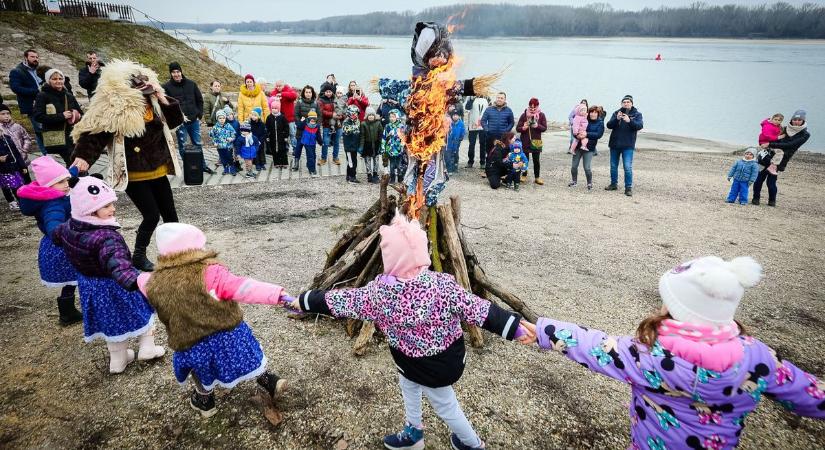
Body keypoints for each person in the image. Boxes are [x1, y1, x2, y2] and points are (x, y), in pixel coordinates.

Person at [519, 256, 825, 449]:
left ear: (679, 310)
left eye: (668, 301)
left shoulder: (651, 358)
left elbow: (596, 346)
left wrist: (545, 330)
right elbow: (809, 394)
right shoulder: (758, 357)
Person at [289, 211, 530, 450]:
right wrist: (515, 327)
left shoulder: (378, 295)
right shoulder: (442, 286)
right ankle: (414, 433)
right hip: (443, 360)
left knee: (446, 406)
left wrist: (307, 300)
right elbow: (479, 309)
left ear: (390, 258)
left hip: (419, 362)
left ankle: (473, 444)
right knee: (409, 386)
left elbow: (341, 301)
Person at [137, 223, 292, 418]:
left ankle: (205, 402)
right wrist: (277, 294)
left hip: (190, 343)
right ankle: (269, 379)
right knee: (249, 354)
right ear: (195, 248)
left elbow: (139, 282)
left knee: (200, 371)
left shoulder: (150, 281)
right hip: (227, 334)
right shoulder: (212, 272)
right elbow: (245, 288)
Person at [71, 60, 184, 272]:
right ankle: (139, 256)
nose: (143, 90)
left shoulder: (153, 101)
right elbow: (95, 133)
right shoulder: (117, 110)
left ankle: (177, 252)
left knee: (171, 215)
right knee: (151, 216)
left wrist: (161, 96)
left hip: (157, 168)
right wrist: (83, 156)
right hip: (133, 172)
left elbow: (176, 120)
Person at [52, 176, 164, 373]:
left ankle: (118, 361)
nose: (113, 208)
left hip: (90, 286)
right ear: (88, 210)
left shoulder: (68, 226)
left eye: (111, 203)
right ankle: (147, 348)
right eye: (106, 206)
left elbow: (55, 236)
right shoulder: (106, 237)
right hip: (115, 285)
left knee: (110, 322)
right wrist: (137, 281)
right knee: (142, 311)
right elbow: (119, 266)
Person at [17, 156, 81, 325]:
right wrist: (60, 234)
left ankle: (68, 312)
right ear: (49, 185)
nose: (67, 184)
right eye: (62, 182)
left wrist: (75, 169)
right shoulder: (53, 203)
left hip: (63, 242)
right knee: (81, 276)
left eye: (67, 180)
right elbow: (53, 222)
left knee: (73, 279)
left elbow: (63, 176)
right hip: (64, 244)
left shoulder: (49, 192)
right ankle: (72, 312)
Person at [163, 62, 213, 175]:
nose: (176, 74)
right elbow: (165, 105)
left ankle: (202, 166)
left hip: (194, 120)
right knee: (183, 146)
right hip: (180, 123)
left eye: (177, 71)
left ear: (181, 71)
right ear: (171, 73)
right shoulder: (166, 87)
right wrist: (173, 119)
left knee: (198, 143)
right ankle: (189, 167)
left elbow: (200, 100)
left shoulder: (191, 84)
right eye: (173, 72)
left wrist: (199, 115)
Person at [753, 110, 810, 207]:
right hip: (768, 155)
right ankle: (756, 198)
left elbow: (790, 145)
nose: (796, 121)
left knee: (771, 182)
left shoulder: (805, 134)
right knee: (759, 179)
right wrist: (763, 141)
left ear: (803, 121)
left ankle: (772, 201)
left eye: (799, 120)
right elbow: (770, 135)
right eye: (794, 119)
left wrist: (770, 144)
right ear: (791, 119)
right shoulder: (784, 128)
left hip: (780, 159)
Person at [33, 69, 82, 167]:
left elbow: (80, 113)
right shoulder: (42, 96)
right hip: (54, 136)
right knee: (74, 163)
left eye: (60, 78)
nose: (58, 81)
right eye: (54, 79)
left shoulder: (68, 96)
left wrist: (75, 115)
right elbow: (38, 116)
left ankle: (72, 180)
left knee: (74, 163)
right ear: (48, 80)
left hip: (70, 135)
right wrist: (61, 116)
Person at [9, 49, 46, 155]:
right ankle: (46, 154)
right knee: (39, 130)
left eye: (37, 57)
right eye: (32, 57)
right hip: (32, 105)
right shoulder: (17, 71)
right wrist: (36, 91)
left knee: (47, 128)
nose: (35, 59)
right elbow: (16, 88)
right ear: (26, 57)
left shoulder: (39, 70)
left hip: (44, 103)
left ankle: (51, 151)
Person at [605, 95, 643, 196]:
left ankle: (628, 188)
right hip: (614, 144)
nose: (626, 104)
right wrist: (616, 119)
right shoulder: (616, 113)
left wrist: (629, 121)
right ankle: (613, 184)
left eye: (628, 102)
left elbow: (639, 126)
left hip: (628, 145)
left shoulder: (637, 114)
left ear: (632, 103)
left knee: (627, 167)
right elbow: (609, 125)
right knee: (613, 166)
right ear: (622, 103)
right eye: (624, 102)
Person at [569, 106, 605, 191]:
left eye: (595, 112)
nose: (593, 114)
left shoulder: (600, 123)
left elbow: (598, 135)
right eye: (592, 112)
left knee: (587, 167)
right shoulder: (583, 118)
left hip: (589, 148)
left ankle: (589, 183)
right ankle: (574, 181)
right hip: (578, 146)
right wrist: (577, 135)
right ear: (589, 113)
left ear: (598, 114)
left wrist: (586, 134)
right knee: (574, 166)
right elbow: (575, 128)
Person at [515, 98, 547, 185]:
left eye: (534, 107)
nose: (532, 109)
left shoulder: (542, 115)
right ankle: (524, 175)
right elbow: (517, 128)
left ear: (537, 106)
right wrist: (523, 127)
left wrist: (537, 126)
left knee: (536, 160)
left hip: (536, 141)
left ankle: (537, 177)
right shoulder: (524, 115)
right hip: (525, 141)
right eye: (531, 107)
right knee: (525, 160)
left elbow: (544, 128)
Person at [479, 92, 514, 169]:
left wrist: (506, 131)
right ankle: (488, 170)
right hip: (491, 136)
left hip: (503, 137)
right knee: (489, 153)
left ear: (505, 100)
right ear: (496, 98)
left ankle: (501, 171)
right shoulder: (489, 109)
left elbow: (511, 123)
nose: (499, 99)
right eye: (498, 97)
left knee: (503, 153)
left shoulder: (508, 110)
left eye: (501, 98)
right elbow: (483, 121)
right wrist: (487, 129)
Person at [0, 103, 33, 183]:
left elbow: (27, 138)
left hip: (22, 160)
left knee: (27, 180)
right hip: (9, 163)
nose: (6, 116)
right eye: (3, 114)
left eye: (8, 113)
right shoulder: (0, 130)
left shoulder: (17, 126)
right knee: (16, 183)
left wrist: (24, 150)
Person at [0, 123, 28, 210]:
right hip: (3, 169)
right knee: (7, 186)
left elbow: (16, 153)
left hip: (14, 166)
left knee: (18, 184)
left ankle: (21, 201)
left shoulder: (7, 138)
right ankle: (11, 202)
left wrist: (22, 166)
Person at [292, 85, 317, 172]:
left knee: (310, 150)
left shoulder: (315, 103)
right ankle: (296, 163)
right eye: (306, 92)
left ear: (312, 93)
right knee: (298, 147)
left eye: (310, 92)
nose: (308, 94)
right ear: (304, 93)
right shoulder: (299, 102)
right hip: (301, 130)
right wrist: (299, 123)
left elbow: (319, 116)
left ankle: (310, 165)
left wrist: (315, 125)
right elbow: (296, 115)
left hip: (311, 131)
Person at [270, 80, 298, 149]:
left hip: (290, 118)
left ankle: (295, 148)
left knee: (292, 134)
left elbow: (294, 96)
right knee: (283, 134)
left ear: (283, 85)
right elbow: (271, 98)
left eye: (280, 86)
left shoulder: (289, 90)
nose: (278, 88)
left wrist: (282, 94)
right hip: (281, 118)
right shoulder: (274, 92)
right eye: (277, 86)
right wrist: (275, 98)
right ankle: (286, 147)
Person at [209, 109, 237, 176]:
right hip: (220, 146)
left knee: (229, 157)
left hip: (228, 146)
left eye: (223, 118)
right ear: (217, 119)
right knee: (223, 158)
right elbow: (212, 135)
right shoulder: (215, 127)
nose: (222, 119)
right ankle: (226, 168)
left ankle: (232, 168)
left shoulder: (228, 126)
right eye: (220, 118)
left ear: (225, 118)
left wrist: (231, 138)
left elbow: (234, 133)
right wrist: (214, 142)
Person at [317, 83, 340, 166]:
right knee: (325, 142)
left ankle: (335, 157)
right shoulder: (321, 100)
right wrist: (331, 114)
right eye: (327, 91)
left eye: (330, 91)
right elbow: (321, 111)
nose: (328, 93)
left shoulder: (336, 99)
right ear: (324, 92)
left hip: (338, 124)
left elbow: (343, 109)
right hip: (327, 125)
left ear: (332, 92)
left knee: (336, 142)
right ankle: (323, 158)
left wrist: (340, 116)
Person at [359, 106, 383, 184]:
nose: (371, 117)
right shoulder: (363, 124)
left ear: (374, 115)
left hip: (376, 144)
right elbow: (362, 136)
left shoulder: (378, 123)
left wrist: (380, 145)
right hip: (367, 144)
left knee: (376, 160)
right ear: (367, 116)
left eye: (372, 115)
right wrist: (361, 147)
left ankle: (375, 174)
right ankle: (369, 175)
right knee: (368, 161)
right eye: (369, 115)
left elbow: (381, 134)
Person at [381, 109, 405, 184]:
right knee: (391, 165)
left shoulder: (401, 127)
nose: (391, 118)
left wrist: (402, 146)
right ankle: (392, 178)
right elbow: (384, 137)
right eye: (390, 117)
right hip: (390, 149)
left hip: (398, 149)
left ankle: (400, 178)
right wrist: (383, 147)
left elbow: (403, 138)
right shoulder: (387, 126)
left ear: (397, 117)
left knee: (399, 165)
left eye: (393, 117)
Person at [464, 96, 488, 168]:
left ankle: (482, 162)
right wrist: (471, 100)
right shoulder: (471, 98)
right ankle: (470, 161)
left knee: (483, 144)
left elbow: (490, 108)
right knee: (472, 144)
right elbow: (467, 107)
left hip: (483, 125)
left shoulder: (487, 98)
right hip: (473, 124)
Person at [266, 101, 290, 169]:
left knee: (282, 150)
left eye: (276, 108)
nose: (274, 109)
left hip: (281, 137)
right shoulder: (269, 117)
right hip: (273, 137)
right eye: (273, 108)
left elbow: (286, 127)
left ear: (278, 109)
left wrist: (286, 136)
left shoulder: (282, 117)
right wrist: (267, 136)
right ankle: (276, 162)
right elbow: (267, 127)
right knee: (274, 151)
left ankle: (284, 162)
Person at [298, 110, 322, 176]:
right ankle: (312, 169)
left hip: (313, 143)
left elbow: (318, 135)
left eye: (314, 120)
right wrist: (302, 121)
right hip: (306, 142)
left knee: (314, 155)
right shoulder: (305, 124)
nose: (312, 121)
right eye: (311, 119)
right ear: (308, 119)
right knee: (310, 156)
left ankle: (309, 164)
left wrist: (320, 142)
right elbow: (299, 126)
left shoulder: (317, 126)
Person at [342, 105, 361, 183]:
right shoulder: (346, 122)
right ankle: (351, 177)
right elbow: (346, 131)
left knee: (354, 161)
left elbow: (359, 131)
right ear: (349, 114)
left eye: (356, 113)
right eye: (352, 114)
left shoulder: (357, 121)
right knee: (351, 162)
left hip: (355, 145)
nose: (354, 115)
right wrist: (354, 127)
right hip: (349, 146)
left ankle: (350, 175)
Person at [248, 107, 267, 172]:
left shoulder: (262, 124)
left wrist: (261, 140)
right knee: (255, 152)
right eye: (252, 115)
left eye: (255, 115)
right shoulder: (250, 124)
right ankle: (257, 164)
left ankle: (262, 163)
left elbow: (264, 133)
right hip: (253, 141)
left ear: (258, 116)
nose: (253, 117)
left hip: (260, 141)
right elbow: (249, 133)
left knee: (261, 152)